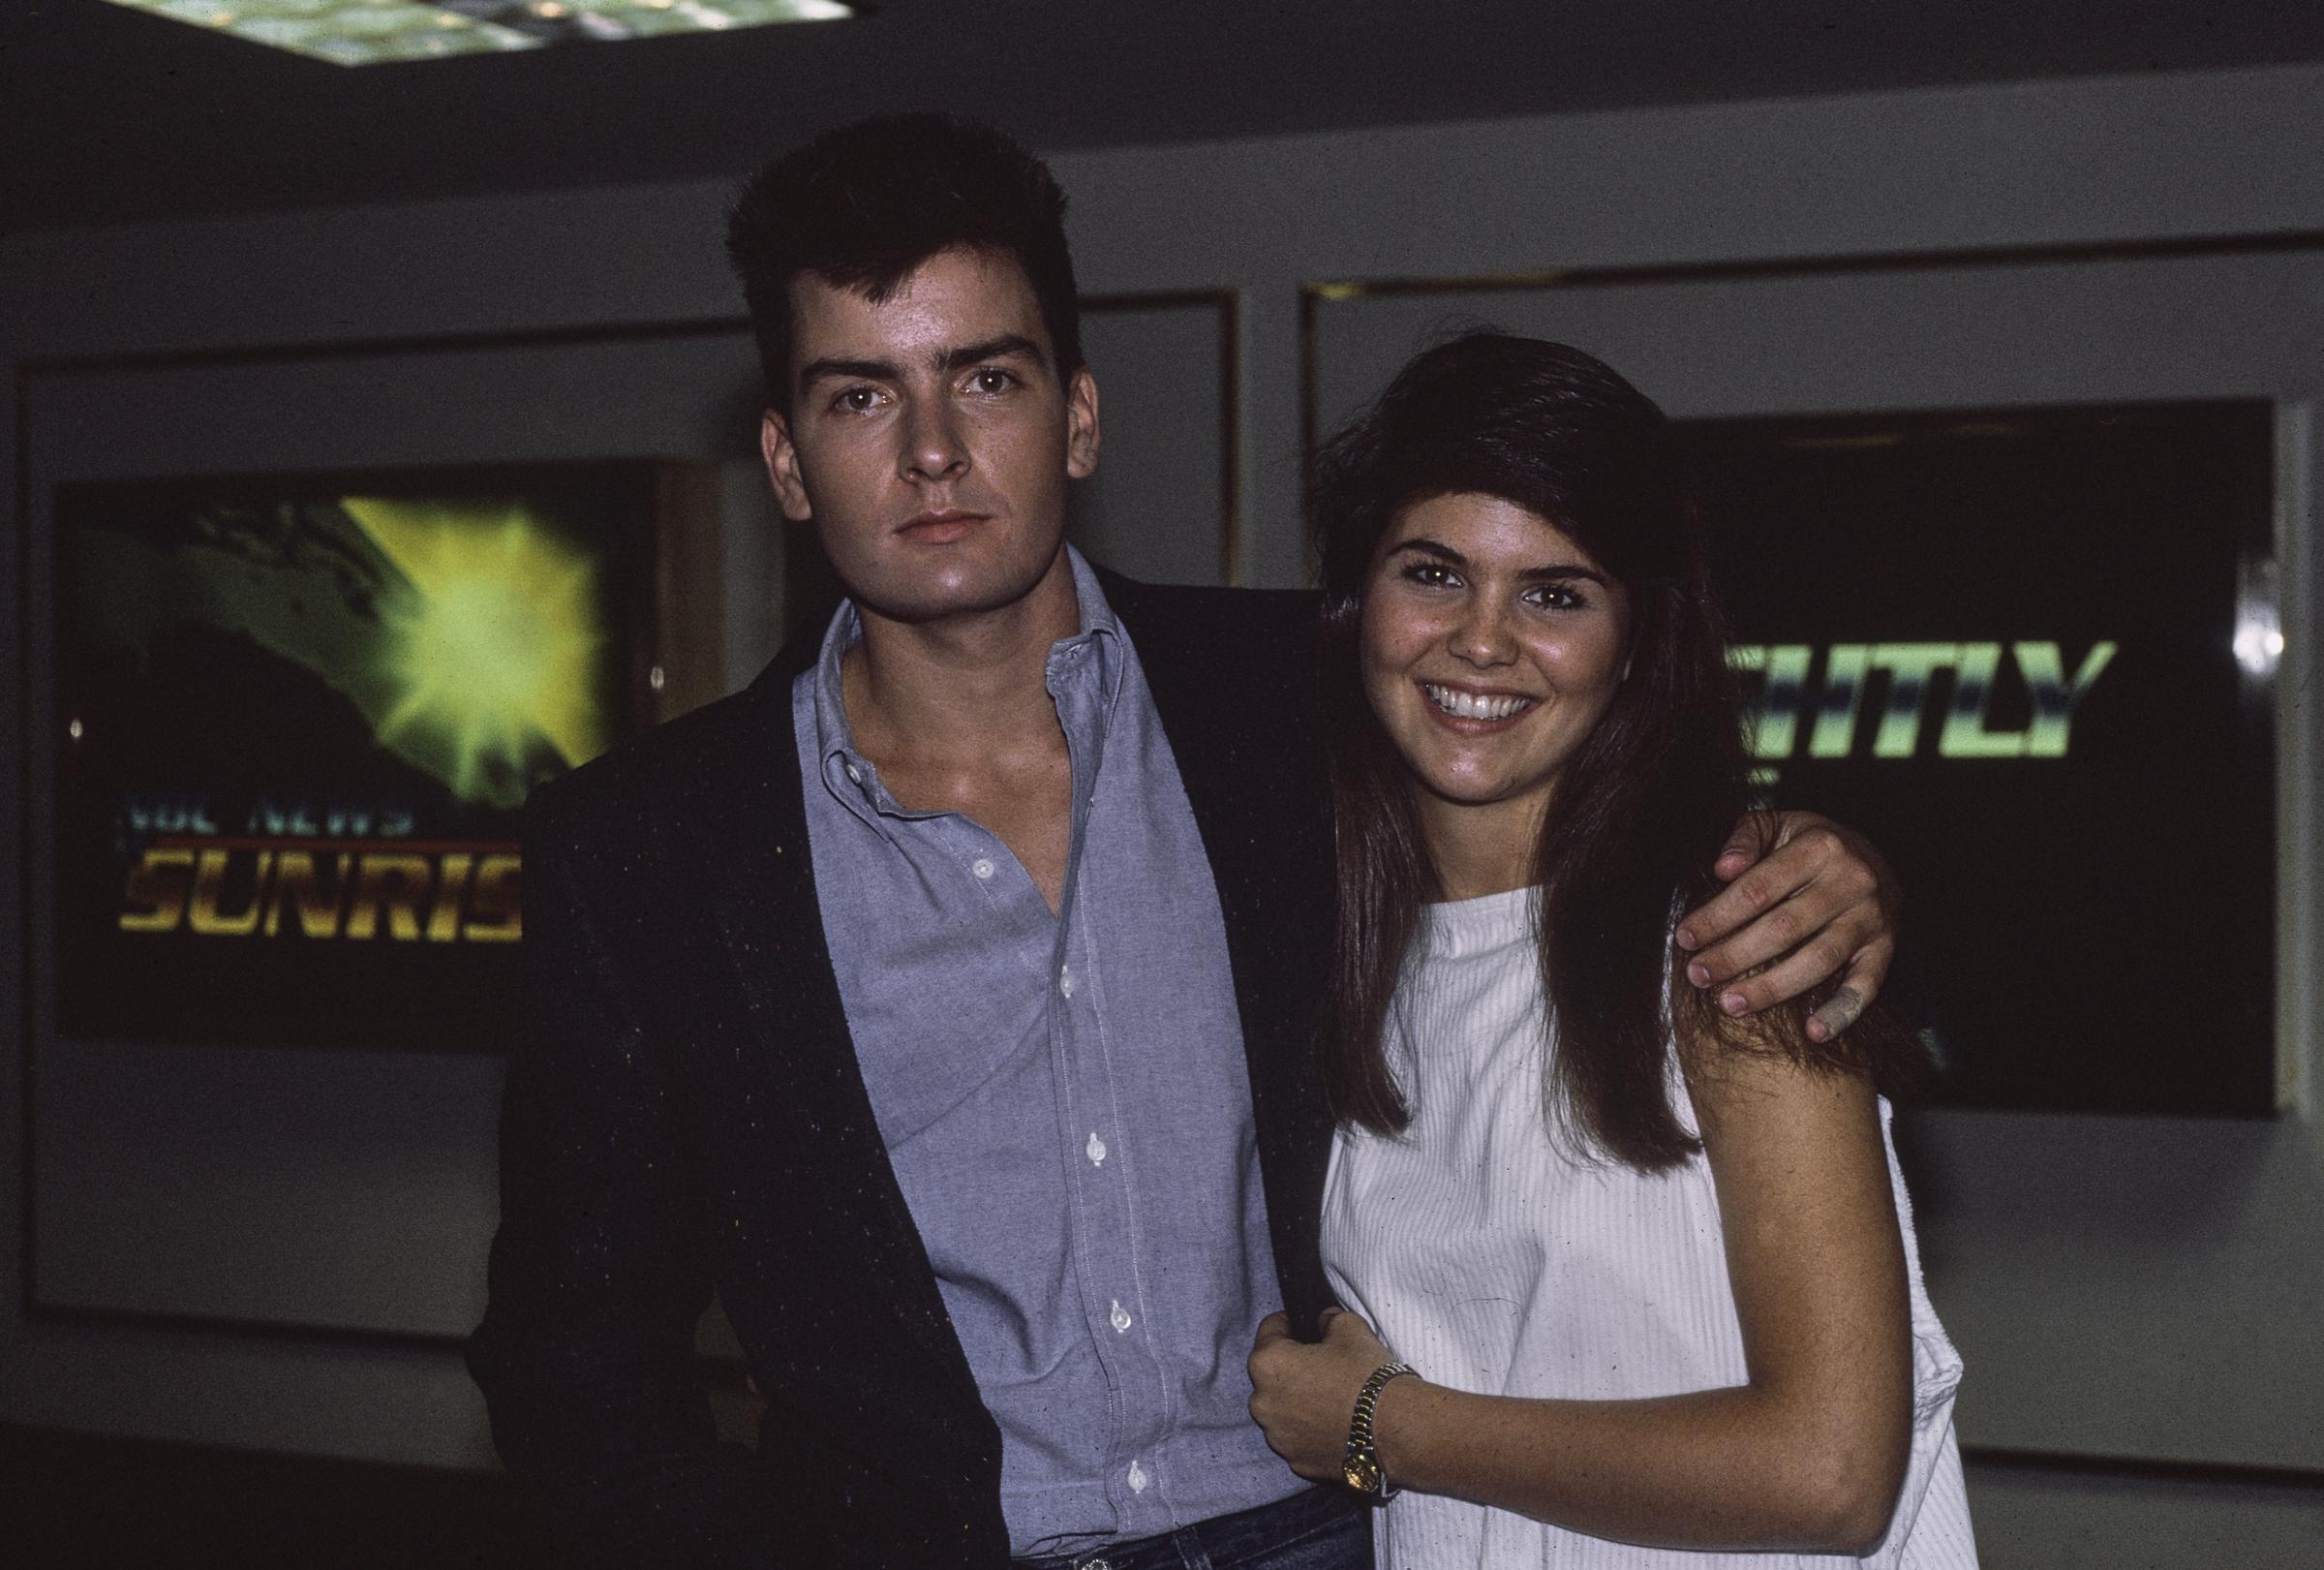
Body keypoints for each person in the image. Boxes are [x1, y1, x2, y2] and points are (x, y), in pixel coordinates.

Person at [467, 117, 1907, 1569]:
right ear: (785, 460)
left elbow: (1582, 788)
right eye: (860, 396)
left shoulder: (1301, 698)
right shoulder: (650, 850)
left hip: (1322, 1530)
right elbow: (571, 1357)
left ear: (1079, 419)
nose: (934, 452)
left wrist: (1822, 858)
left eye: (987, 378)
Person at [1245, 334, 1975, 1567]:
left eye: (1555, 594)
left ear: (1634, 641)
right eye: (1434, 573)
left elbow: (1832, 1472)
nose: (1482, 640)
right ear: (1355, 601)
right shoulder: (1326, 956)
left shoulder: (1733, 950)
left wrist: (1384, 1423)